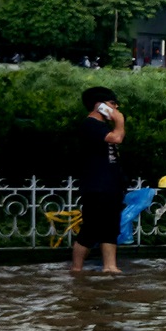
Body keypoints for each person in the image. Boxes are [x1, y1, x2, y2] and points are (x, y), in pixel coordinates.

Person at [70, 87, 127, 275]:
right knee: (91, 227)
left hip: (111, 186)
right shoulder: (90, 125)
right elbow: (117, 138)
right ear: (99, 105)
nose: (116, 108)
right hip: (96, 186)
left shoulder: (102, 126)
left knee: (111, 227)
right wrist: (120, 121)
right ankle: (76, 269)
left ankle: (110, 266)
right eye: (112, 104)